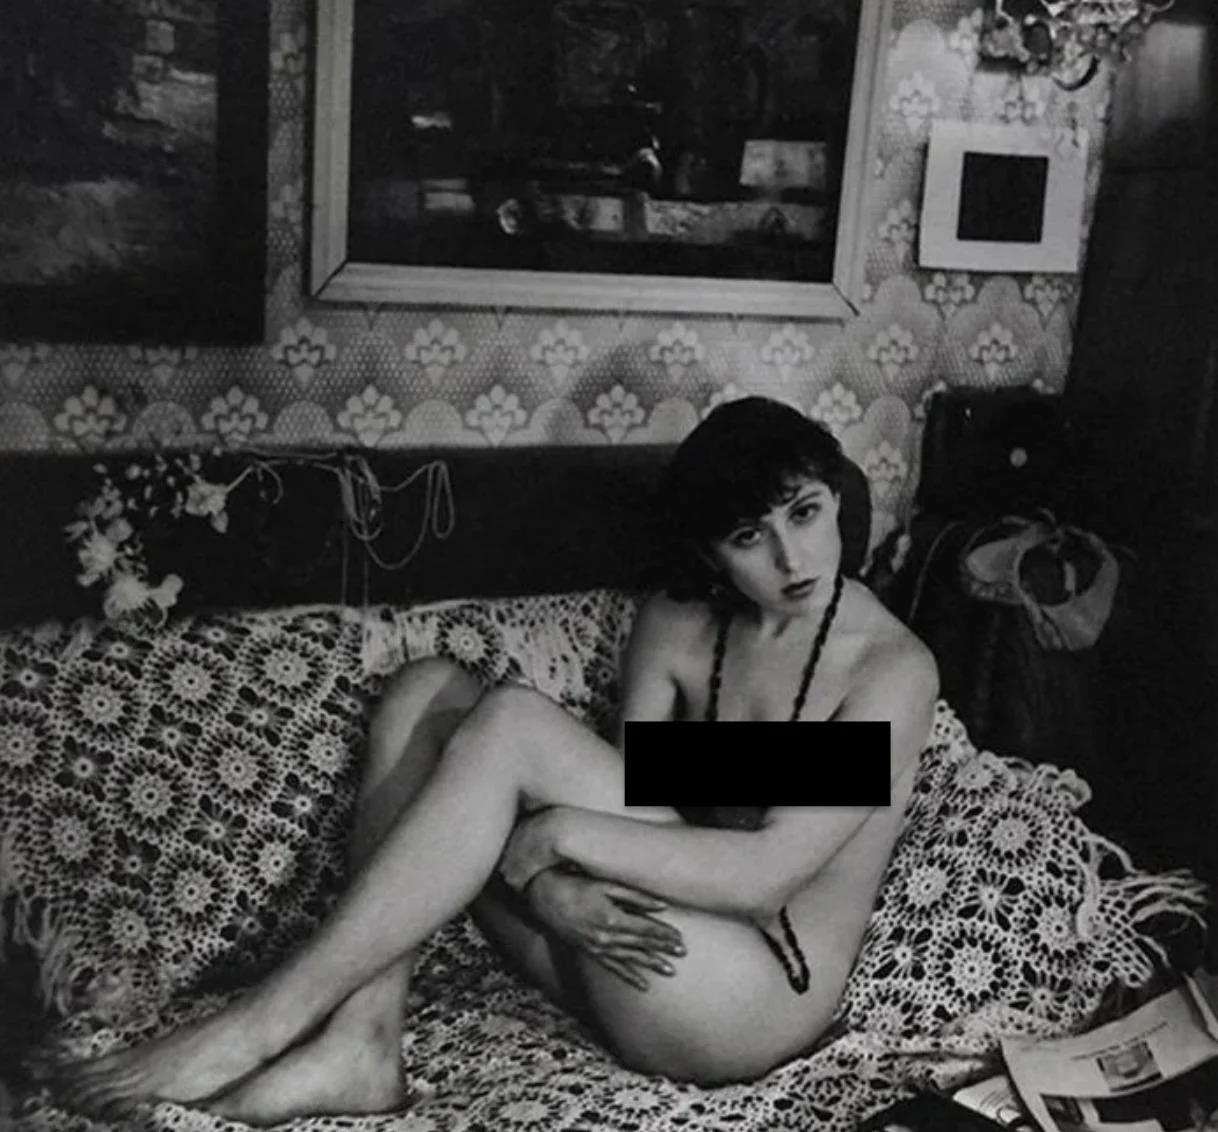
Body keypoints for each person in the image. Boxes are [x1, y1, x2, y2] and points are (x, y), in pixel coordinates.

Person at [55, 396, 939, 1124]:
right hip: (628, 943)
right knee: (425, 692)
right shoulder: (680, 622)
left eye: (804, 513)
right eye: (750, 535)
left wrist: (552, 838)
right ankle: (362, 1039)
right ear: (710, 550)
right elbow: (645, 796)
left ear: (834, 498)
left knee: (512, 723)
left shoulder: (890, 670)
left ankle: (263, 1021)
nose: (790, 557)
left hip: (749, 999)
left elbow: (764, 876)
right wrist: (551, 886)